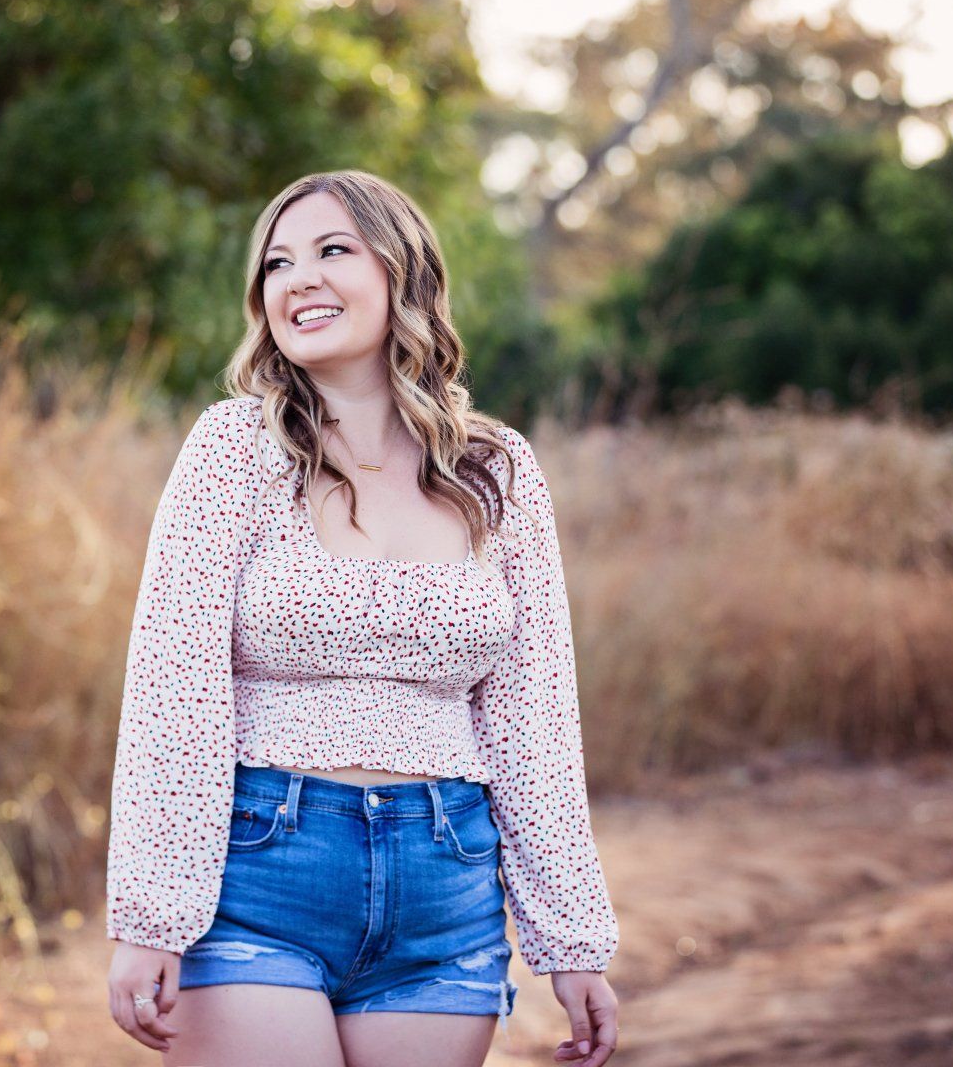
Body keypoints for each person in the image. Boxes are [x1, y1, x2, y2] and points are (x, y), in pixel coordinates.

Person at [104, 170, 621, 1067]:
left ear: (402, 272)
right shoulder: (233, 451)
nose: (299, 278)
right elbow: (173, 691)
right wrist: (151, 916)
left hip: (446, 889)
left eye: (332, 250)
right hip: (259, 872)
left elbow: (534, 719)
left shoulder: (496, 470)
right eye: (277, 264)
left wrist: (572, 942)